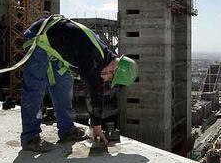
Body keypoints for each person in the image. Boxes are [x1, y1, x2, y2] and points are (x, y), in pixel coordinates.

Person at [20, 15, 137, 152]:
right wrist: (96, 126)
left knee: (63, 87)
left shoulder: (104, 57)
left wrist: (95, 124)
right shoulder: (94, 57)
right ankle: (30, 137)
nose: (106, 80)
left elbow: (96, 85)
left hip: (55, 47)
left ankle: (67, 130)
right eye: (110, 79)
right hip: (38, 38)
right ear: (113, 69)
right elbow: (94, 91)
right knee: (35, 88)